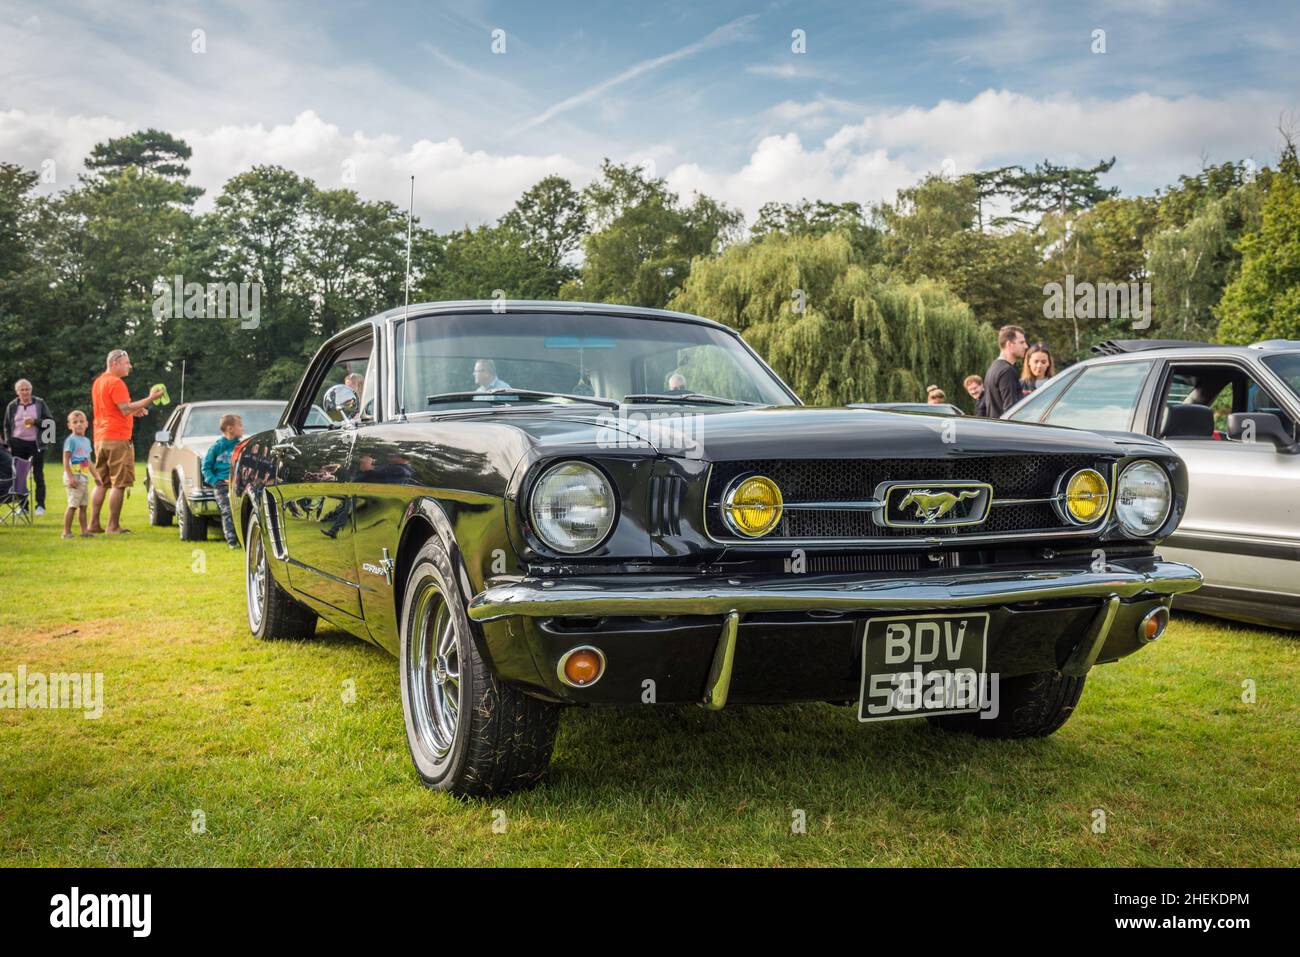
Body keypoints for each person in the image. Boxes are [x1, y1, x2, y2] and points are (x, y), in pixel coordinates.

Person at [88, 349, 164, 535]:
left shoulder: (99, 382)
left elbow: (116, 408)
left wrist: (135, 411)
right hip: (118, 437)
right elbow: (124, 408)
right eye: (126, 362)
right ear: (114, 363)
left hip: (100, 437)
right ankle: (113, 526)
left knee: (101, 483)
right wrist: (150, 399)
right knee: (119, 483)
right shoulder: (116, 382)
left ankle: (93, 524)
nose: (130, 366)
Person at [4, 379, 54, 516]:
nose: (25, 392)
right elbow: (7, 426)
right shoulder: (12, 406)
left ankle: (40, 506)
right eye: (22, 389)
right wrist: (8, 444)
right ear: (17, 392)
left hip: (35, 444)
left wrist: (35, 422)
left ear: (31, 390)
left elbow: (50, 423)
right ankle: (23, 507)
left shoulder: (40, 403)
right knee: (19, 476)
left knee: (38, 476)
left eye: (27, 389)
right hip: (17, 444)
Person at [202, 413, 244, 548]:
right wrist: (215, 482)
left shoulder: (241, 447)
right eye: (240, 426)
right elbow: (206, 468)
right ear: (230, 428)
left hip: (238, 485)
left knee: (240, 511)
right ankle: (232, 541)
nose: (243, 429)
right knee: (227, 510)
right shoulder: (216, 447)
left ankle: (243, 539)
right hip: (221, 485)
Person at [61, 410, 94, 539]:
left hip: (84, 477)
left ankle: (84, 531)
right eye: (75, 422)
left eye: (81, 422)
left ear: (87, 424)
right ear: (69, 425)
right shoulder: (71, 440)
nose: (78, 424)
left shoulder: (86, 441)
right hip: (74, 476)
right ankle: (66, 532)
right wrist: (70, 477)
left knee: (83, 506)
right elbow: (65, 459)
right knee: (73, 505)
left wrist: (96, 476)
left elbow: (89, 461)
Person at [982, 324, 1028, 418]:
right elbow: (1011, 410)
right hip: (1005, 430)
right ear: (1009, 344)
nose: (1026, 346)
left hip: (995, 428)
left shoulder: (993, 368)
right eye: (1022, 342)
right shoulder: (1007, 371)